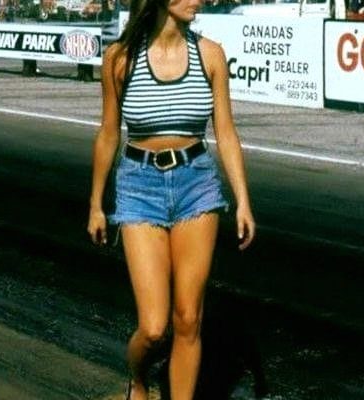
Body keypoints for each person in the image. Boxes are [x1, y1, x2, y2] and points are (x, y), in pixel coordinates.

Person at [87, 0, 256, 397]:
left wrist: (243, 200)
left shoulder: (210, 55)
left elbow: (226, 132)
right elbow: (109, 133)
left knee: (188, 318)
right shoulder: (120, 59)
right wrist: (96, 204)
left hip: (196, 185)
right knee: (153, 328)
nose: (199, 0)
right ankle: (138, 379)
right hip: (138, 186)